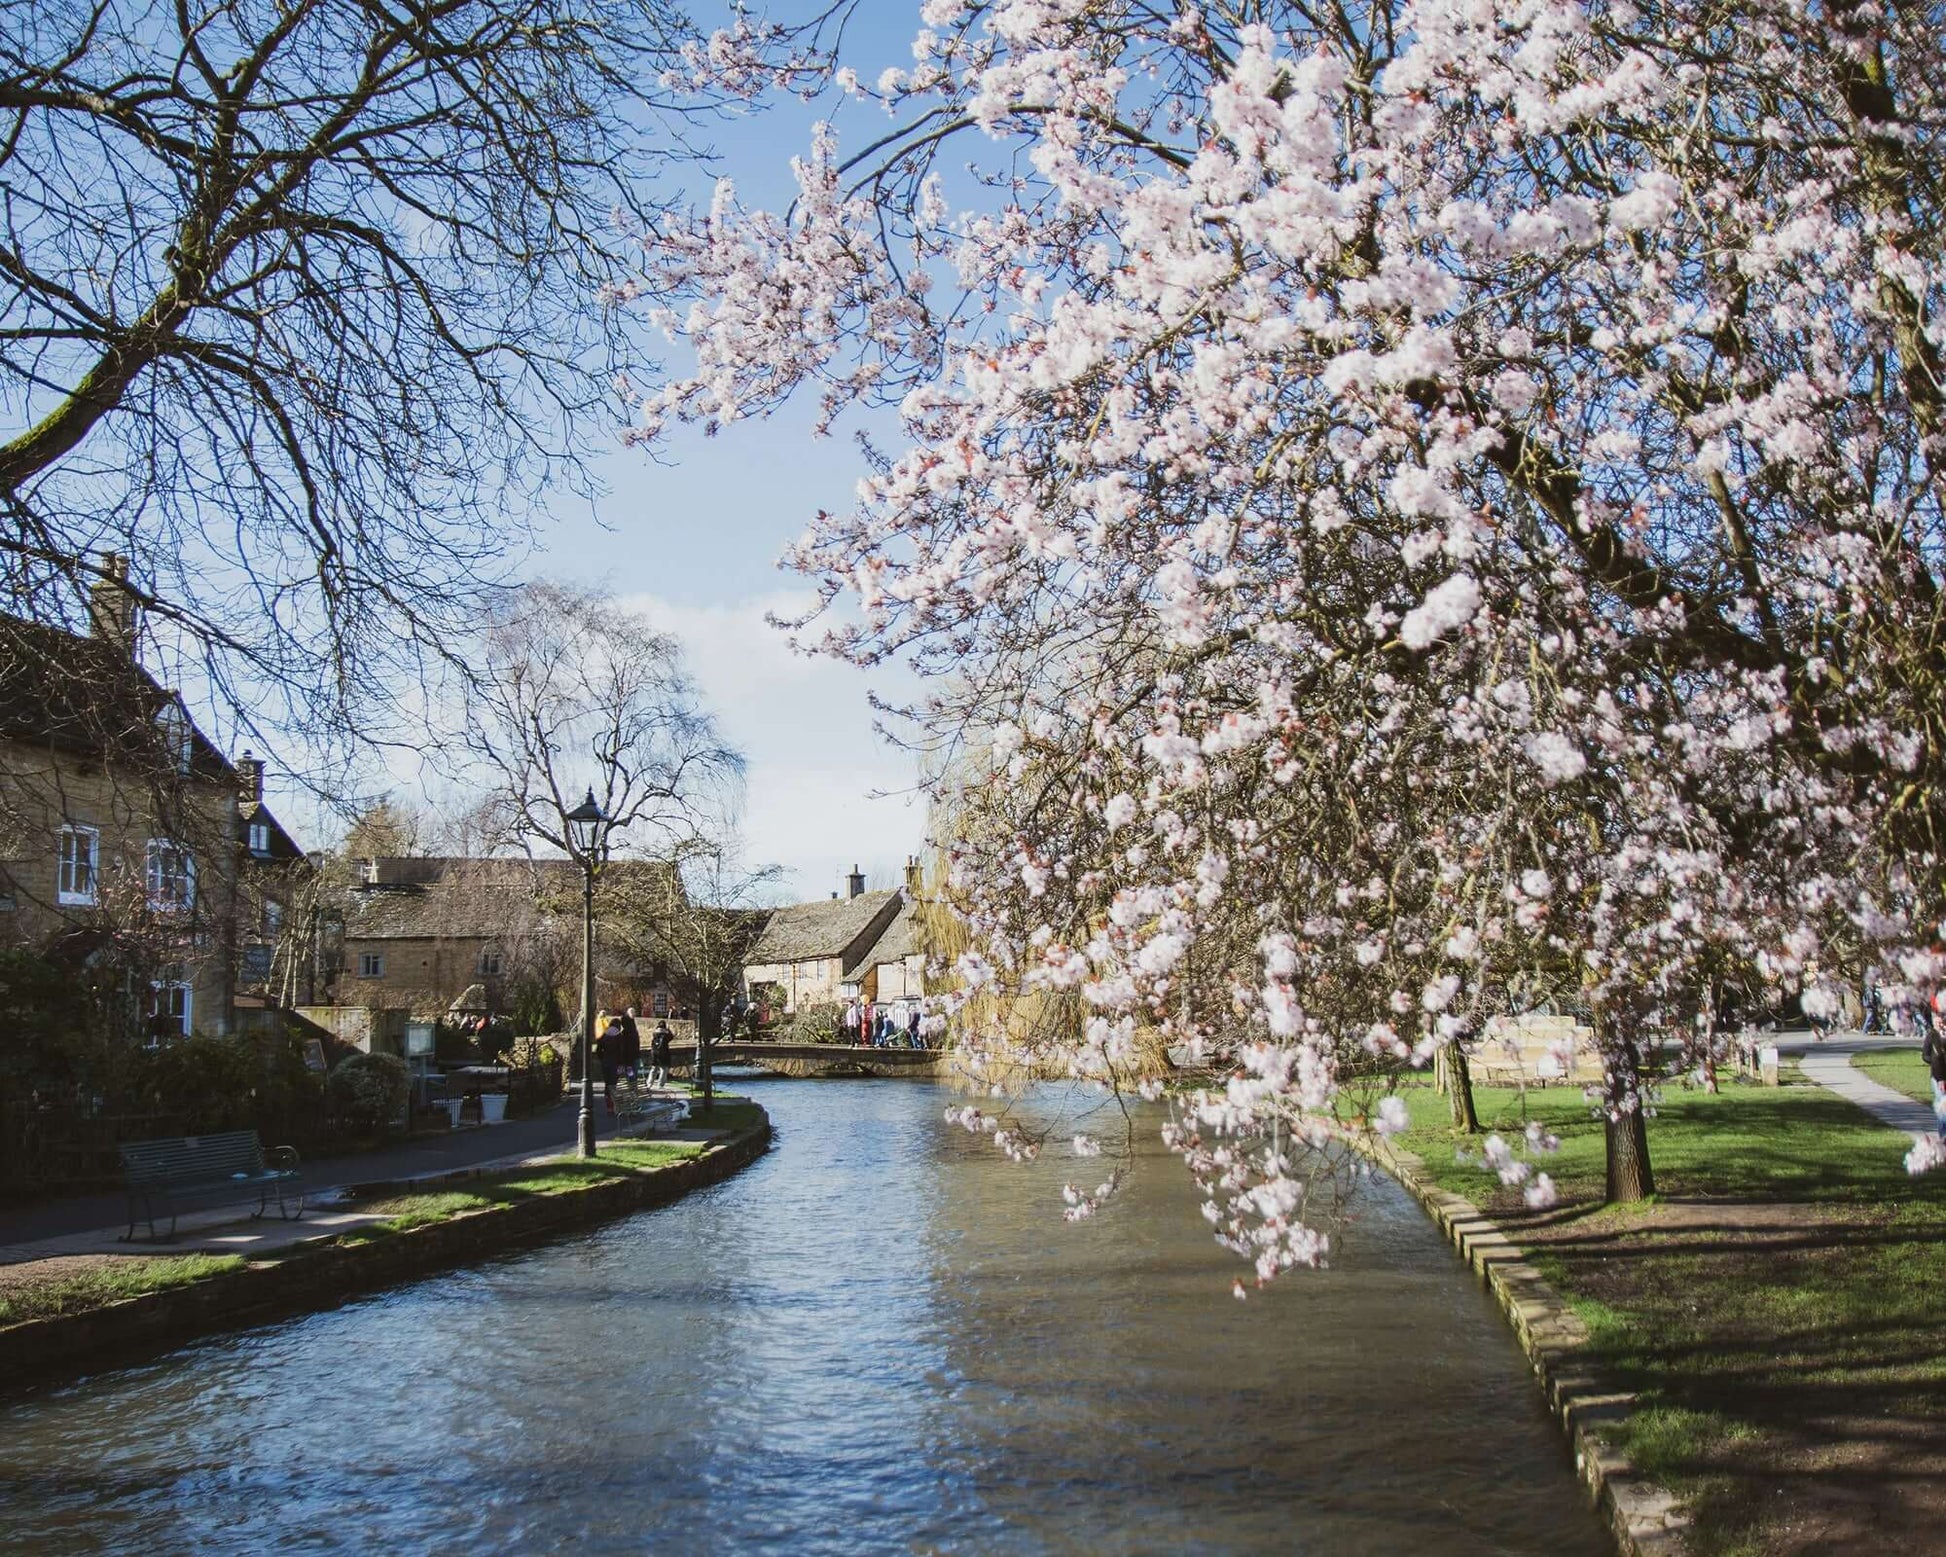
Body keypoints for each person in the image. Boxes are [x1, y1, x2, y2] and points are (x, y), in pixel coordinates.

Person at [596, 1012, 625, 1113]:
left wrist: (602, 1058)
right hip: (615, 1063)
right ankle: (614, 1105)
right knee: (614, 1085)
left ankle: (609, 1106)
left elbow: (598, 1050)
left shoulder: (604, 1035)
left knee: (607, 1084)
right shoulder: (619, 1036)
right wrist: (621, 1064)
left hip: (606, 1062)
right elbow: (621, 1052)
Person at [1925, 1017, 1946, 1140]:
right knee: (1943, 1108)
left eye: (1942, 1021)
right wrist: (1934, 1061)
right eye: (1937, 1021)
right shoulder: (1932, 1035)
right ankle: (1943, 1137)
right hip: (1938, 1078)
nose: (1940, 1023)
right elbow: (1925, 1055)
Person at [621, 1005, 643, 1081]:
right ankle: (631, 1083)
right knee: (631, 1071)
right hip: (629, 1055)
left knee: (633, 1071)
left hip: (634, 1054)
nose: (634, 1014)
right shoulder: (627, 1032)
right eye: (632, 1013)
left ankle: (632, 1083)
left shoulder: (632, 1030)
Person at [650, 1019, 674, 1089]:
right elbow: (671, 1037)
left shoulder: (655, 1033)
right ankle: (660, 1084)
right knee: (663, 1069)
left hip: (654, 1053)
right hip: (663, 1054)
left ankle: (649, 1083)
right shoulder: (665, 1035)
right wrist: (668, 1030)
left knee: (654, 1069)